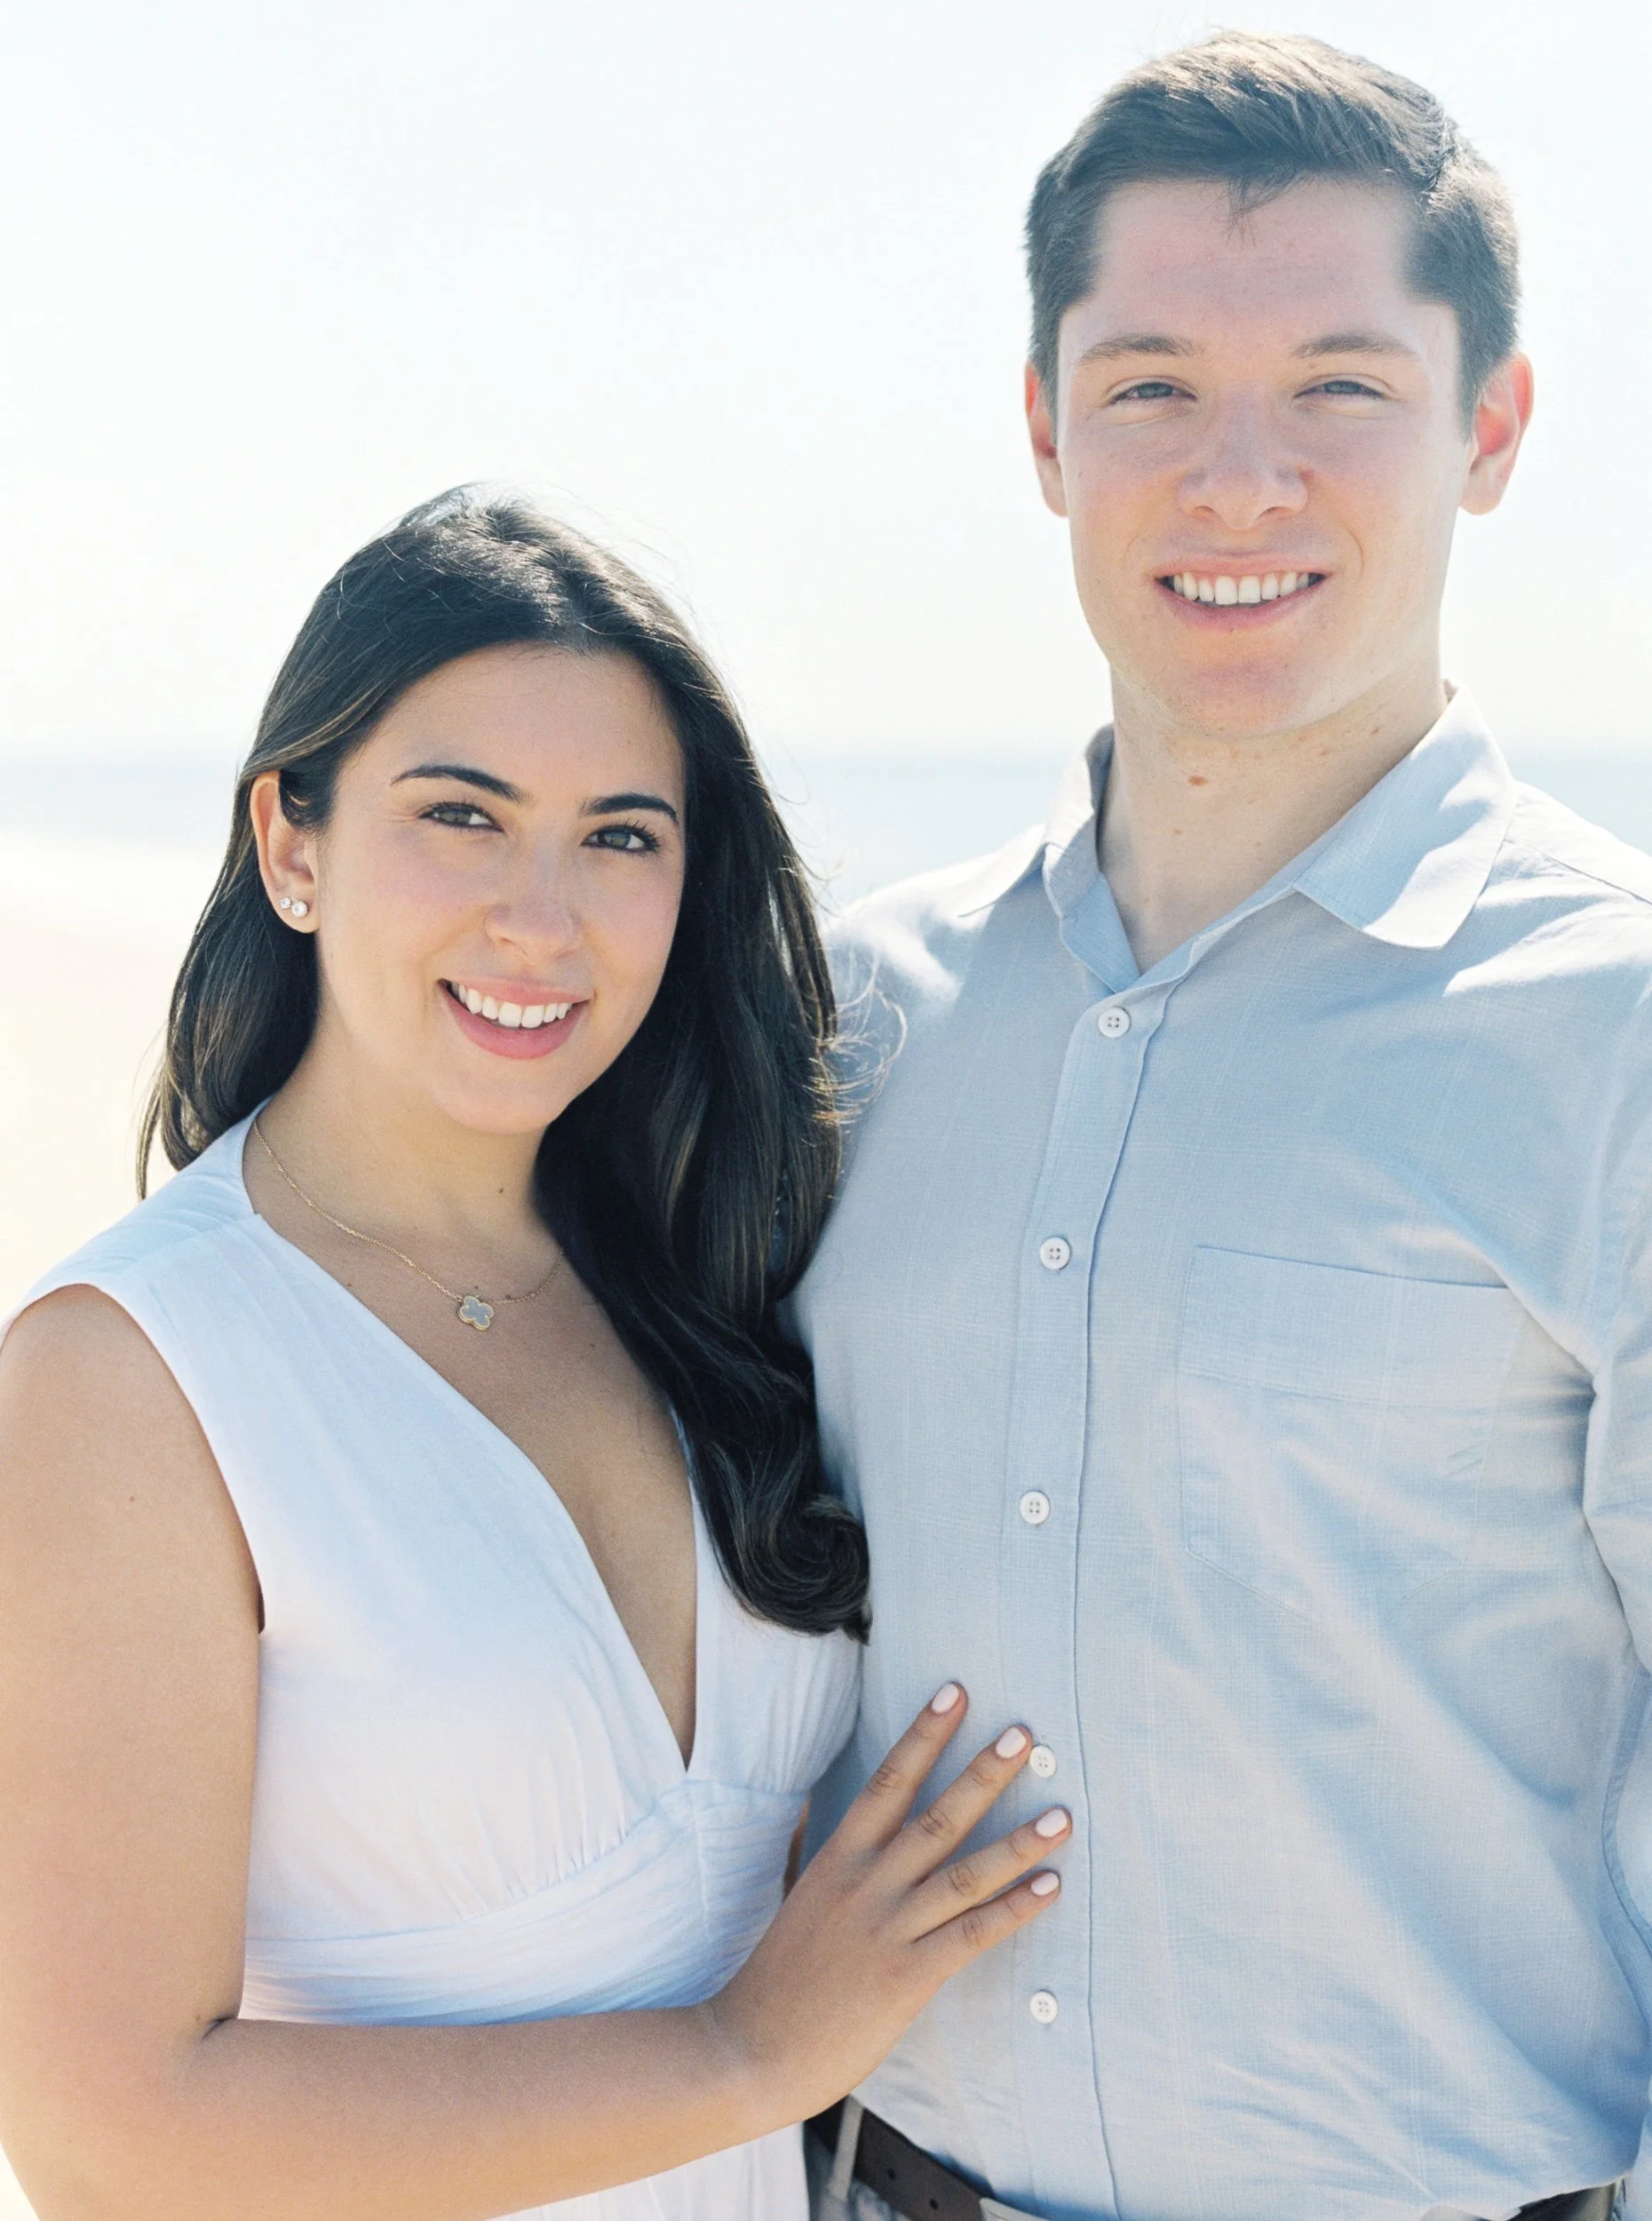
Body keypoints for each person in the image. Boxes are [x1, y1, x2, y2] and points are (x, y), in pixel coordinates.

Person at [794, 33, 1648, 2221]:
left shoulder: (1618, 1025)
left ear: (1495, 430)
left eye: (1343, 387)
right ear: (1044, 431)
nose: (1240, 477)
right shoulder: (854, 1017)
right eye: (1154, 382)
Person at [0, 490, 1072, 2221]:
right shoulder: (131, 1371)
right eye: (463, 815)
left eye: (620, 835)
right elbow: (108, 2135)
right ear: (293, 839)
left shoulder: (714, 1283)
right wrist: (745, 2053)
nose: (541, 916)